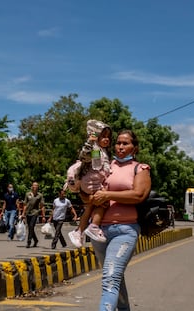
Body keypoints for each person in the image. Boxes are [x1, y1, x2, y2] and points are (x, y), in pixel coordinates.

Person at [86, 129, 151, 311]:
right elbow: (90, 181)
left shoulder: (140, 168)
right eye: (118, 143)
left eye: (126, 143)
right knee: (114, 276)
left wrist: (107, 194)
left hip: (125, 230)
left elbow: (138, 195)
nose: (121, 146)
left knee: (111, 277)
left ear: (134, 148)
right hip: (98, 232)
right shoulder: (106, 165)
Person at [68, 120, 112, 248]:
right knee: (103, 202)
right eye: (103, 136)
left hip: (92, 182)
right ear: (97, 136)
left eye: (108, 137)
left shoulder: (102, 151)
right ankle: (93, 226)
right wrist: (90, 142)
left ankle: (79, 231)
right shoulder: (96, 149)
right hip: (91, 182)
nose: (107, 139)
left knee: (90, 207)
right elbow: (86, 158)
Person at [21, 182, 45, 248]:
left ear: (38, 187)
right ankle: (36, 240)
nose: (35, 187)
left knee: (31, 226)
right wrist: (23, 214)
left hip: (35, 212)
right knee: (30, 228)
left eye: (36, 186)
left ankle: (29, 242)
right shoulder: (27, 194)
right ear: (32, 187)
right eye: (34, 185)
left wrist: (43, 216)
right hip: (28, 213)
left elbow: (42, 206)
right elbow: (25, 205)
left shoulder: (40, 195)